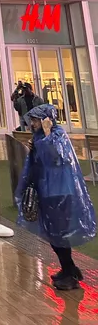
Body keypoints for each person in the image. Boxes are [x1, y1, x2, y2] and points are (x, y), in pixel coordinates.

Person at [17, 103, 97, 291]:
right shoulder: (39, 138)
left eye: (36, 120)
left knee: (60, 234)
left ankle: (70, 273)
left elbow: (56, 157)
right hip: (48, 191)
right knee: (54, 235)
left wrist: (45, 136)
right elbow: (38, 163)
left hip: (61, 192)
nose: (33, 124)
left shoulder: (57, 135)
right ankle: (68, 268)